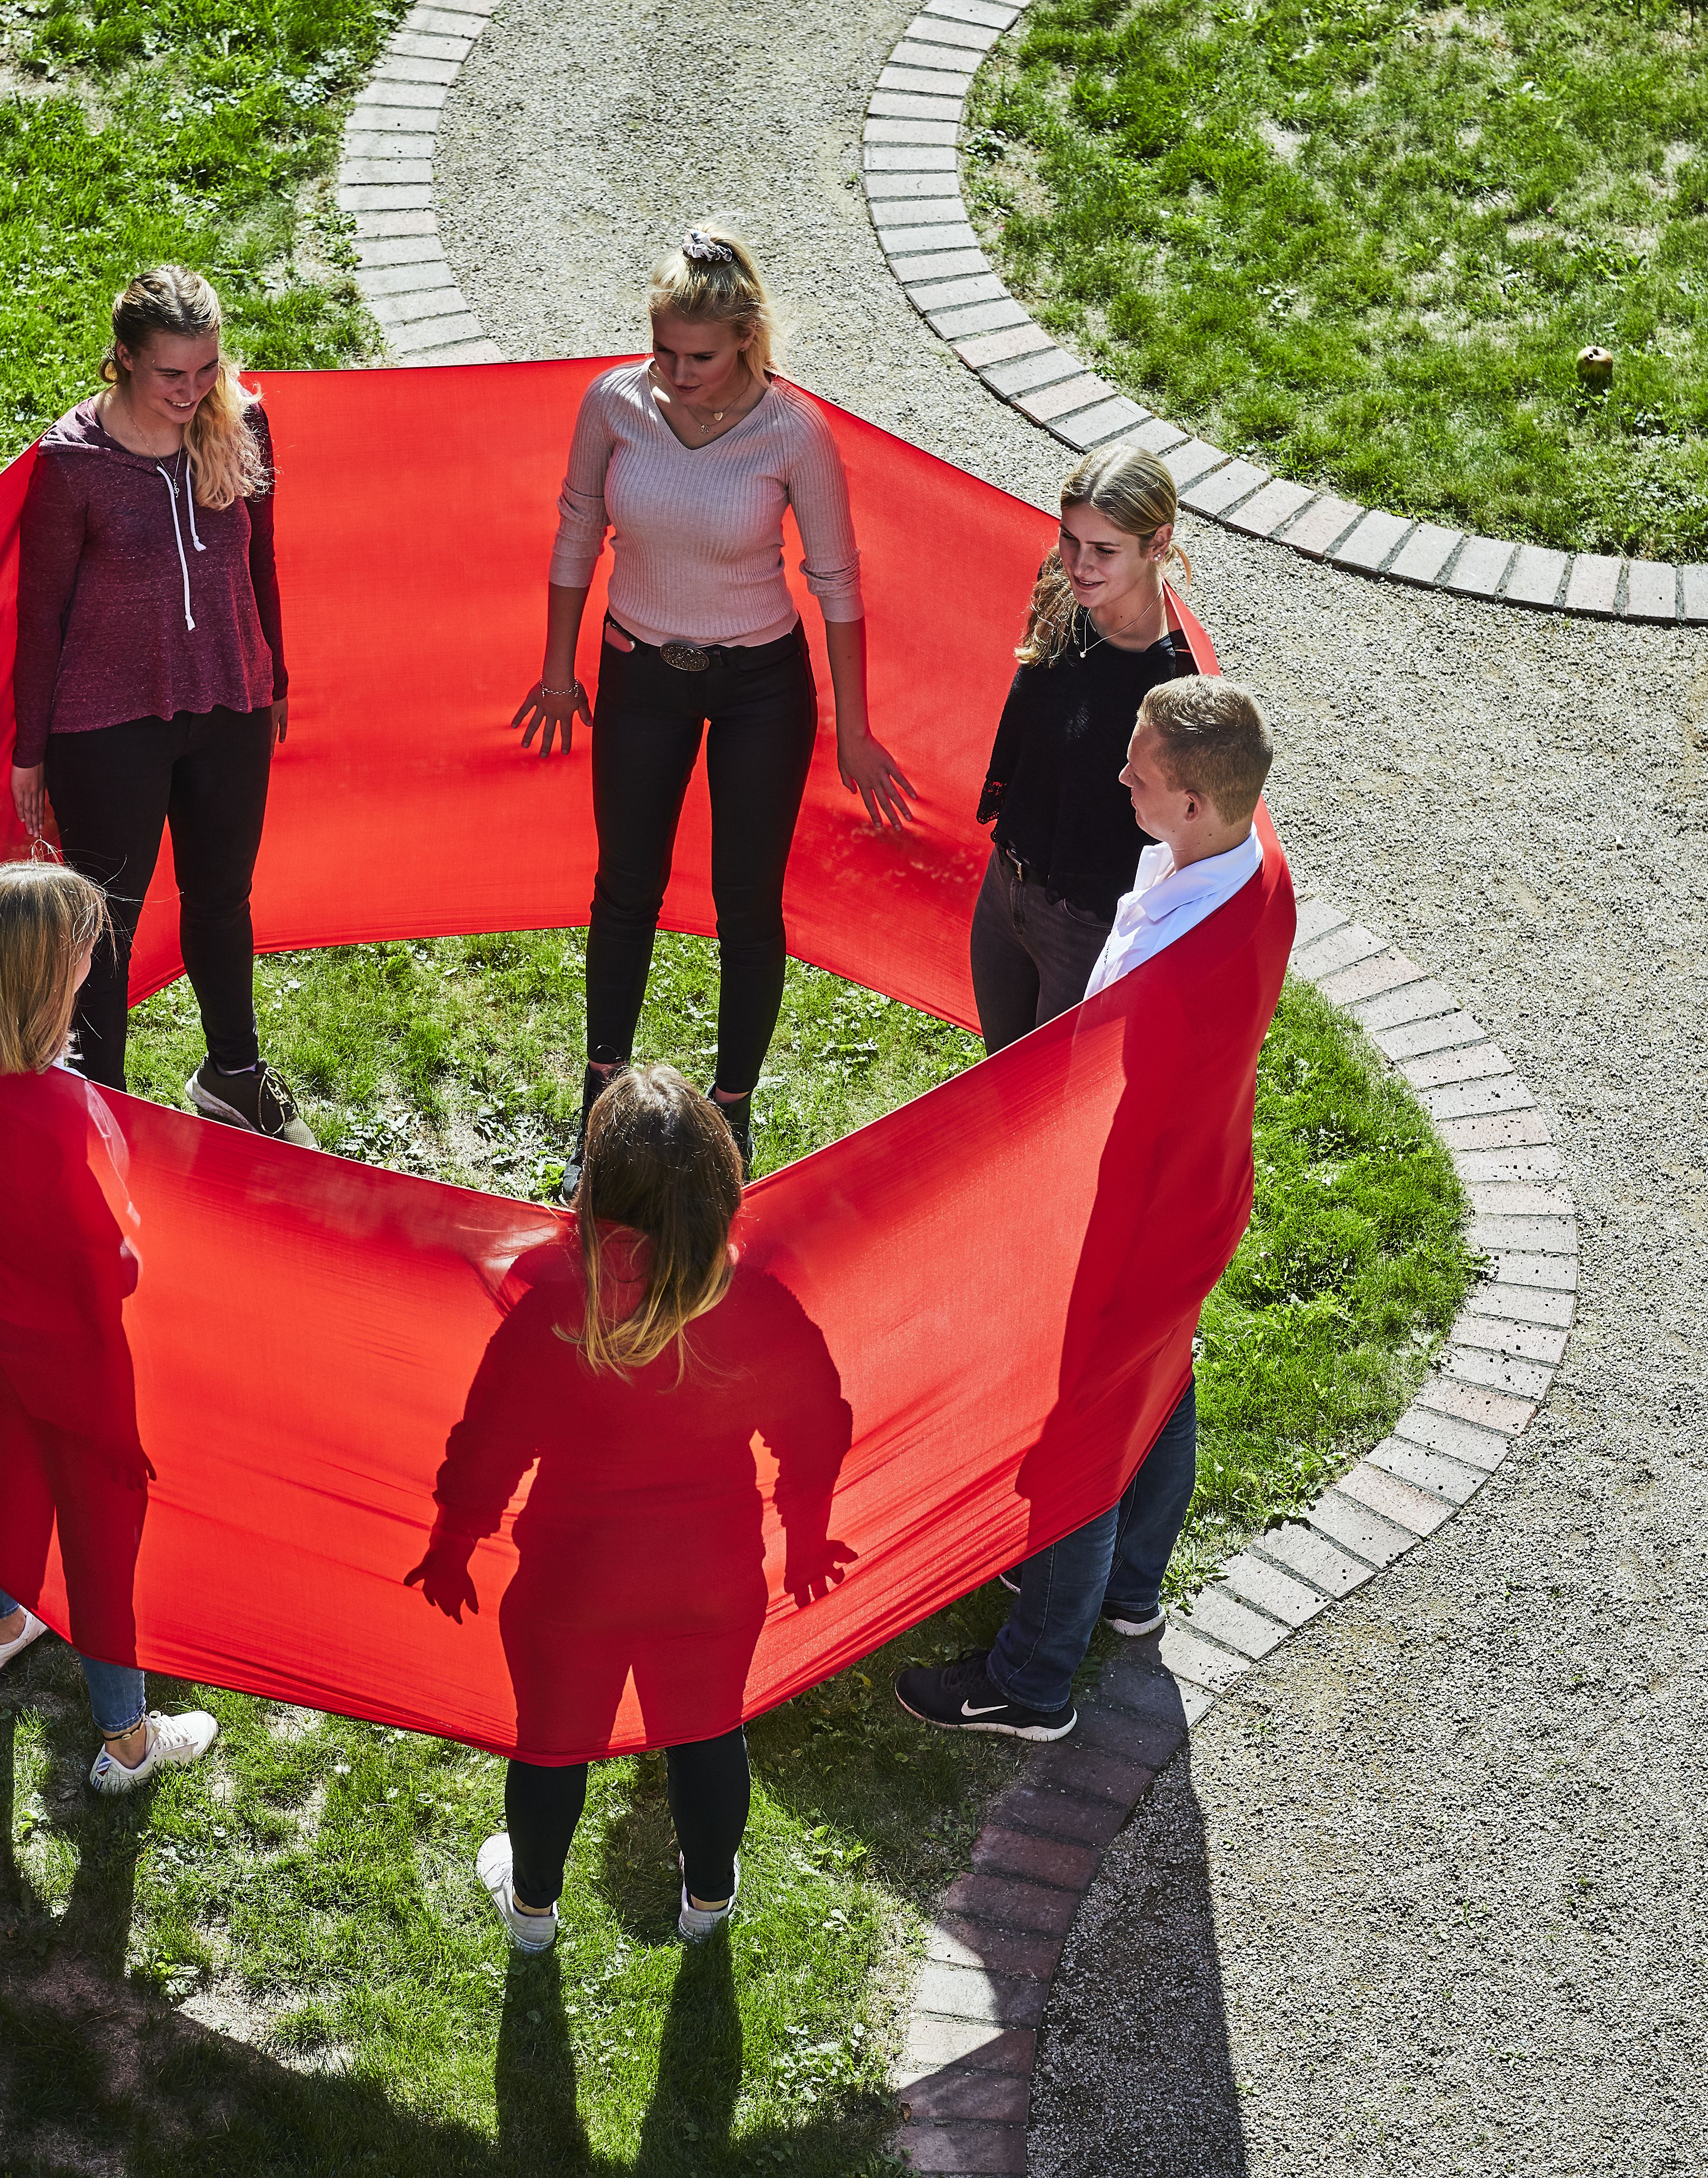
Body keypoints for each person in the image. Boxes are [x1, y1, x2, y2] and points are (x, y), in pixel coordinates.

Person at [405, 1065, 854, 1953]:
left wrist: (454, 1543)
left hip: (573, 1588)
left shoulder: (552, 1309)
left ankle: (532, 1912)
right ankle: (709, 1903)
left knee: (550, 1745)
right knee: (706, 1733)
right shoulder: (756, 1305)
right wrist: (805, 1540)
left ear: (594, 1194)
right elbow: (817, 1429)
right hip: (714, 1578)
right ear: (728, 1190)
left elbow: (488, 1440)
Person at [899, 678, 1274, 1739]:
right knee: (1166, 1375)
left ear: (1194, 801)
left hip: (1132, 1224)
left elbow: (1104, 1116)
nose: (1119, 775)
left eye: (1140, 770)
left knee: (1081, 1437)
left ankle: (1032, 1678)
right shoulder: (1247, 868)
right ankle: (1131, 1586)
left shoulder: (1180, 974)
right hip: (1194, 1200)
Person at [515, 225, 916, 1180]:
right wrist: (558, 668)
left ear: (746, 339)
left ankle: (731, 1112)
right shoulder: (613, 404)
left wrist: (853, 727)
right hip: (639, 670)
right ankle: (601, 1106)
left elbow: (838, 581)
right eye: (662, 350)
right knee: (626, 888)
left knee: (748, 900)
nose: (676, 372)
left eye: (699, 355)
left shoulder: (793, 432)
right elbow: (577, 532)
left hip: (758, 688)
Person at [0, 859, 219, 1792]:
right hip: (70, 1369)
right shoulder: (66, 1113)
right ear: (52, 975)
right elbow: (117, 1265)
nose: (93, 965)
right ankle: (128, 1742)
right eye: (83, 953)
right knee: (101, 1538)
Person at [12, 264, 314, 1145]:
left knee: (222, 896)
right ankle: (98, 1102)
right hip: (106, 720)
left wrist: (276, 675)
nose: (193, 393)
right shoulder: (73, 463)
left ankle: (233, 1072)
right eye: (171, 375)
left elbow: (260, 562)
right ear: (123, 362)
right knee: (106, 919)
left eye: (208, 369)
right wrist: (31, 750)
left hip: (229, 700)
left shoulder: (242, 423)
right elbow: (41, 614)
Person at [969, 446, 1201, 1053]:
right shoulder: (1061, 590)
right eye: (1070, 538)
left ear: (1159, 542)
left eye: (1104, 549)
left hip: (1087, 923)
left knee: (1053, 1108)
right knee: (1000, 1083)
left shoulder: (1178, 676)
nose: (1078, 563)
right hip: (1004, 888)